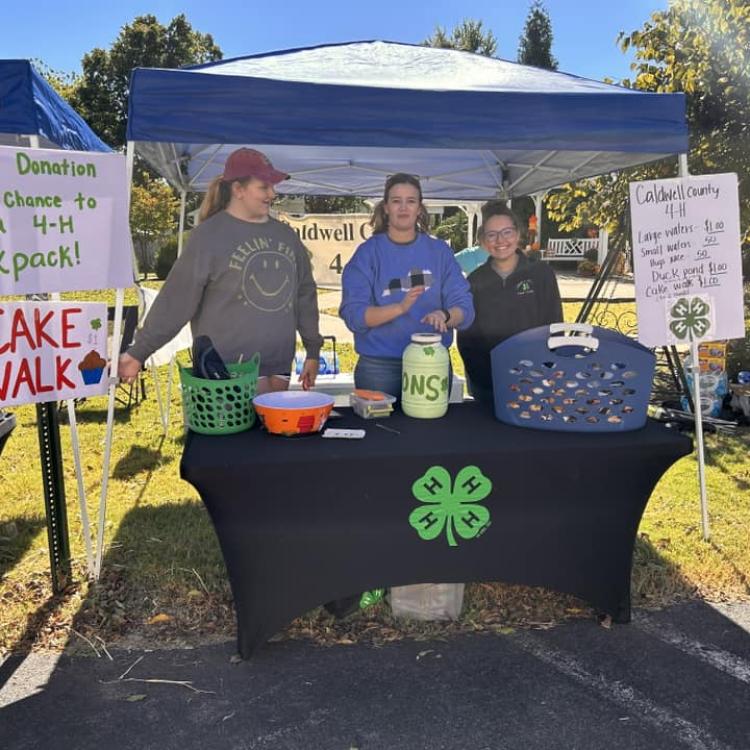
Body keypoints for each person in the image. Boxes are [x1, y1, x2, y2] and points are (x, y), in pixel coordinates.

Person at [118, 148, 323, 394]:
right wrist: (139, 352)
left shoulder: (286, 236)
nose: (272, 193)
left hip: (279, 364)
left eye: (272, 186)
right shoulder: (208, 237)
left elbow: (305, 294)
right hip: (226, 369)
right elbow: (176, 301)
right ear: (238, 190)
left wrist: (313, 351)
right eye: (263, 187)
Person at [339, 173, 474, 397]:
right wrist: (399, 309)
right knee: (378, 432)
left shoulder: (440, 252)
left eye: (410, 201)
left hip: (431, 364)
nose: (403, 208)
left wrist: (445, 315)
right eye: (396, 201)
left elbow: (465, 308)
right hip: (378, 367)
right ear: (385, 208)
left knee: (429, 432)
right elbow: (354, 315)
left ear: (420, 208)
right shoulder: (367, 254)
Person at [458, 204, 563, 407]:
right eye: (492, 234)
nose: (500, 241)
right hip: (488, 386)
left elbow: (554, 326)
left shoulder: (541, 274)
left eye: (507, 232)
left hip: (535, 380)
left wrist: (545, 370)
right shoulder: (475, 281)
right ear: (483, 241)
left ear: (518, 234)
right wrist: (485, 379)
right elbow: (467, 338)